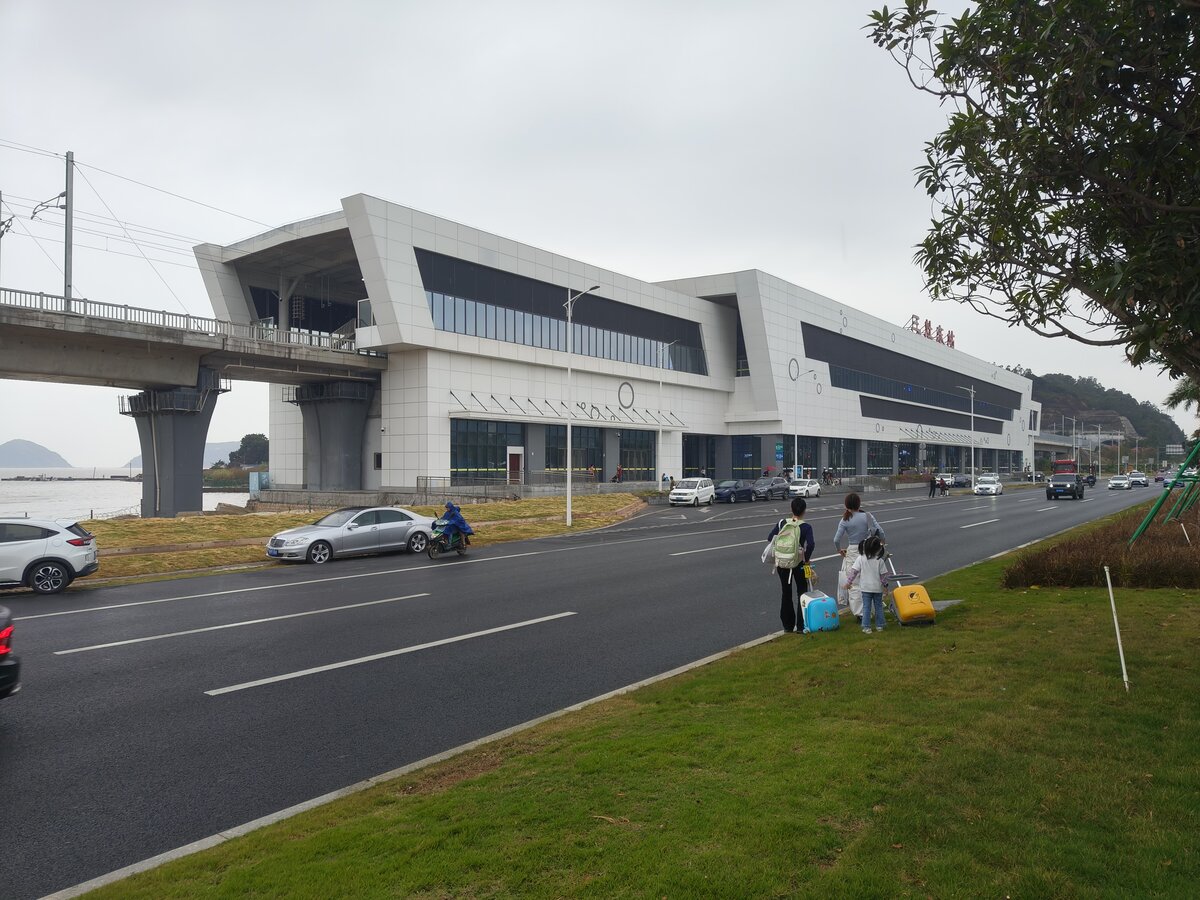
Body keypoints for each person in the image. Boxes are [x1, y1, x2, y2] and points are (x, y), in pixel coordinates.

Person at [765, 496, 816, 633]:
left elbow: (770, 537)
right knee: (801, 592)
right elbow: (811, 544)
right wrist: (806, 558)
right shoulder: (806, 527)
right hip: (799, 563)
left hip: (782, 563)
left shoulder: (782, 523)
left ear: (791, 509)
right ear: (804, 511)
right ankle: (800, 626)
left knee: (786, 593)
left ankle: (787, 626)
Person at [833, 492, 885, 623]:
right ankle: (872, 610)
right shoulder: (867, 516)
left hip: (852, 551)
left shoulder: (845, 519)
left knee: (854, 584)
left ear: (846, 505)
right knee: (871, 579)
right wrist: (882, 543)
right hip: (868, 550)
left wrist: (839, 550)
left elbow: (836, 539)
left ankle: (860, 614)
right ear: (859, 504)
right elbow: (881, 532)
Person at [844, 534, 889, 634]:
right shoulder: (880, 560)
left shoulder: (861, 559)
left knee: (866, 607)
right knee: (878, 607)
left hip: (865, 588)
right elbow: (883, 576)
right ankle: (879, 625)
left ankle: (866, 627)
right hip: (877, 588)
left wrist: (848, 582)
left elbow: (854, 572)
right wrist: (885, 587)